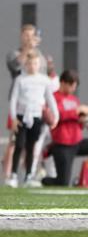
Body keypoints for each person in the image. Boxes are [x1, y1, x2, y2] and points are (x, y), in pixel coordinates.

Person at [41, 70, 88, 189]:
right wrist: (76, 112)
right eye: (71, 85)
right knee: (62, 183)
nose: (73, 89)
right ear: (63, 83)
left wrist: (82, 120)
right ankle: (42, 179)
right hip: (62, 144)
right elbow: (57, 116)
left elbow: (76, 120)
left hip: (76, 141)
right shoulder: (53, 97)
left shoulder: (74, 99)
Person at [7, 51, 58, 187]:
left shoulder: (43, 80)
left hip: (37, 116)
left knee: (31, 146)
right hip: (22, 116)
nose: (32, 66)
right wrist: (13, 118)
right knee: (19, 145)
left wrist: (56, 116)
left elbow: (50, 99)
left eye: (34, 63)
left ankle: (29, 175)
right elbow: (14, 99)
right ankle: (13, 175)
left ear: (39, 64)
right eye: (29, 63)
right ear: (25, 64)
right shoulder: (20, 79)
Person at [4, 24, 47, 182]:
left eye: (31, 36)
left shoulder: (39, 56)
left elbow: (42, 76)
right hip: (19, 105)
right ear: (22, 36)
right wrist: (26, 50)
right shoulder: (14, 53)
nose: (29, 39)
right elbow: (15, 66)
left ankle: (30, 172)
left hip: (35, 105)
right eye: (26, 36)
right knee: (15, 142)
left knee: (31, 143)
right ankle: (9, 174)